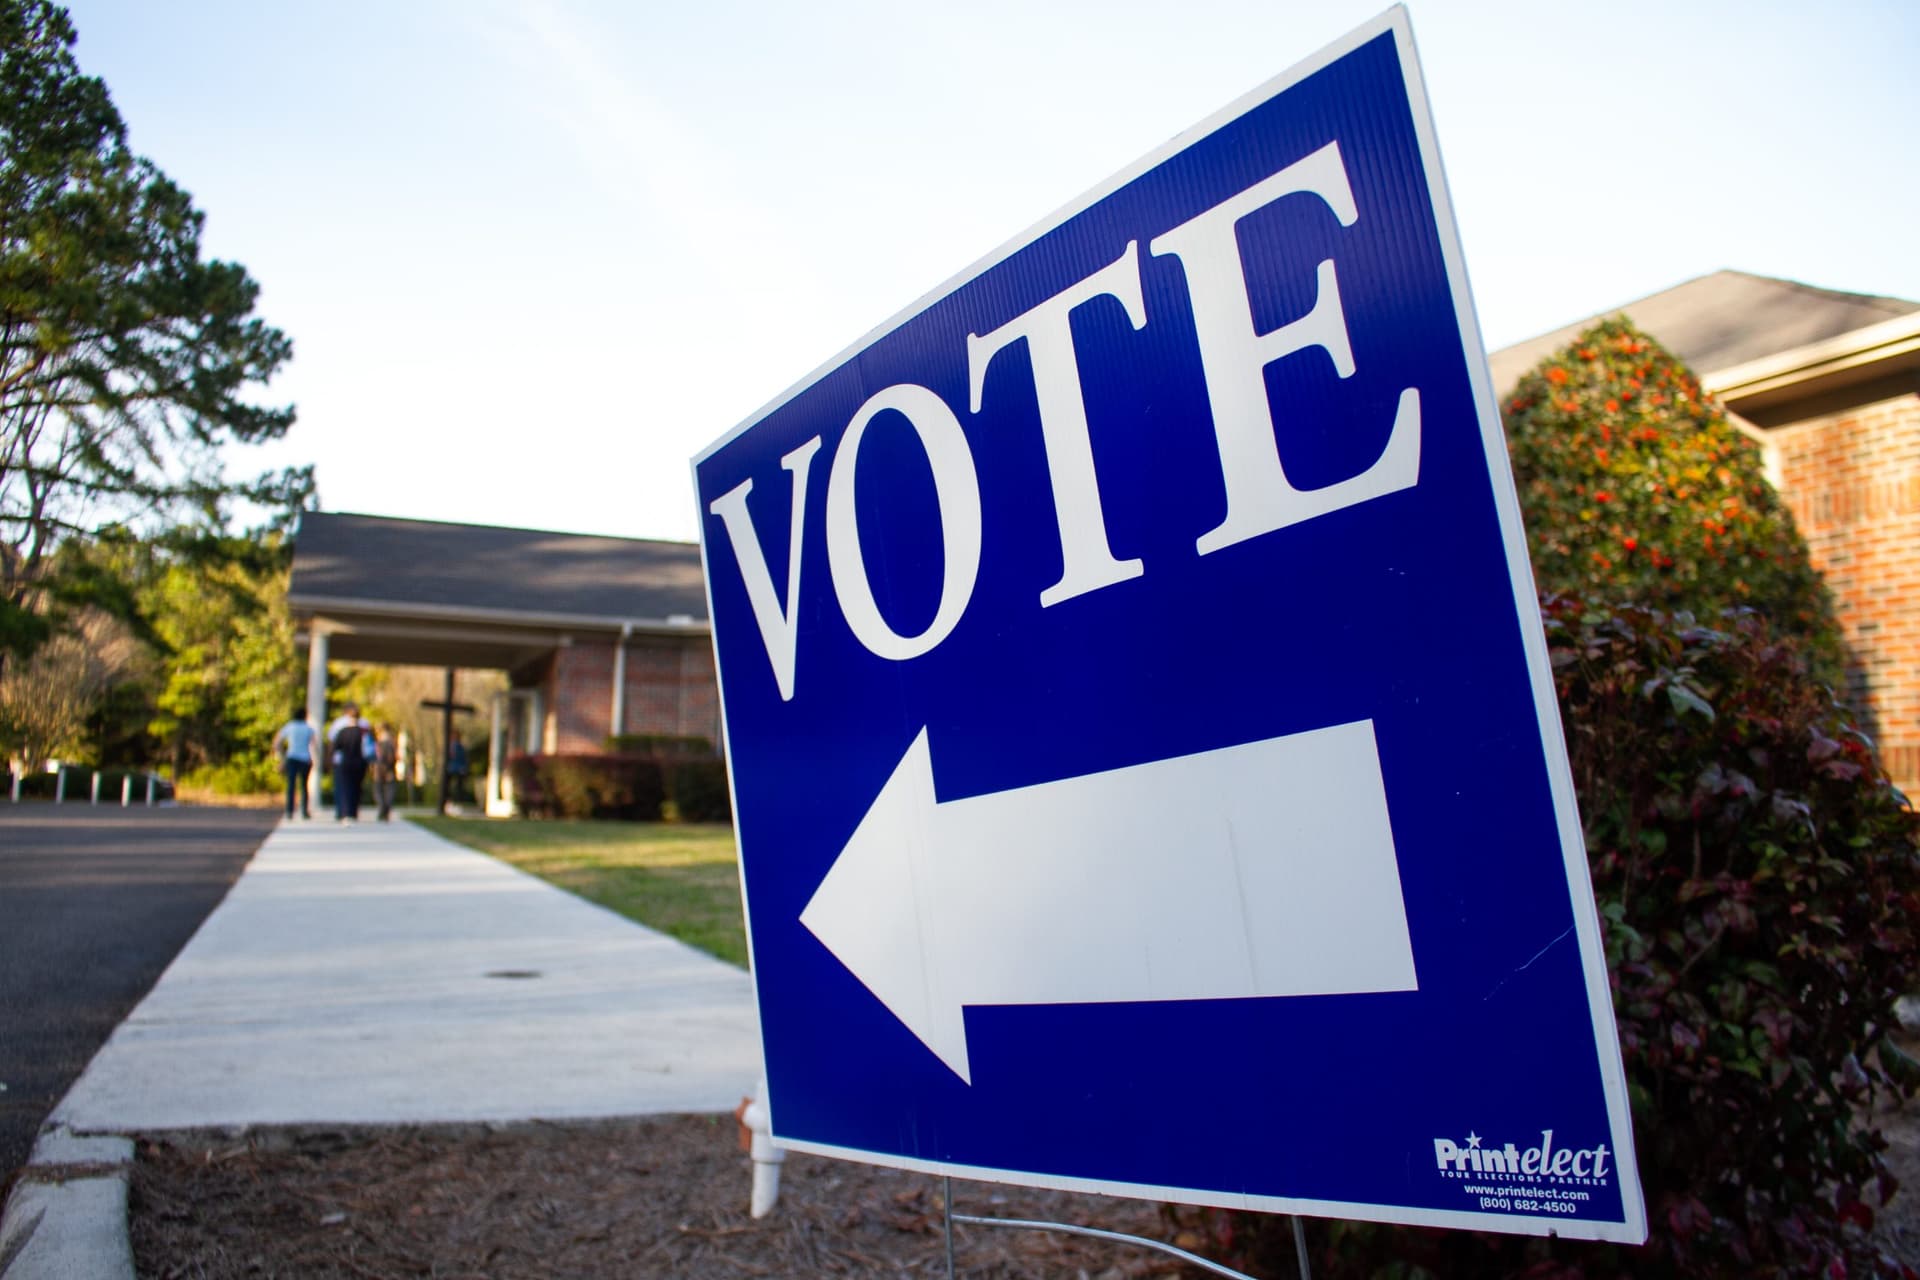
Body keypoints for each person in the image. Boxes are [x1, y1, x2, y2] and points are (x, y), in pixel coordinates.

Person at [269, 707, 318, 820]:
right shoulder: (308, 728)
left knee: (291, 785)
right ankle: (304, 811)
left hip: (292, 757)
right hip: (305, 758)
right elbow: (314, 745)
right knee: (304, 785)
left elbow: (277, 742)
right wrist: (315, 760)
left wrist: (281, 756)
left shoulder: (290, 726)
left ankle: (289, 811)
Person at [328, 702, 368, 822]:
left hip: (343, 761)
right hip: (360, 760)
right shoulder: (364, 726)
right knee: (356, 787)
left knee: (343, 786)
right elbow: (369, 745)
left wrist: (330, 758)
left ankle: (342, 811)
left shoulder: (340, 725)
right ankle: (353, 811)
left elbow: (334, 744)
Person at [373, 725, 399, 821]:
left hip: (380, 769)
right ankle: (386, 808)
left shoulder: (379, 743)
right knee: (389, 790)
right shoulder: (392, 743)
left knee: (378, 790)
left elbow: (377, 756)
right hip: (390, 769)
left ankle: (382, 808)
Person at [447, 737, 469, 805]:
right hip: (453, 768)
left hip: (456, 768)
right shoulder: (453, 746)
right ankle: (451, 800)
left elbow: (462, 757)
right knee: (454, 785)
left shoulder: (458, 747)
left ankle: (457, 800)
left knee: (458, 785)